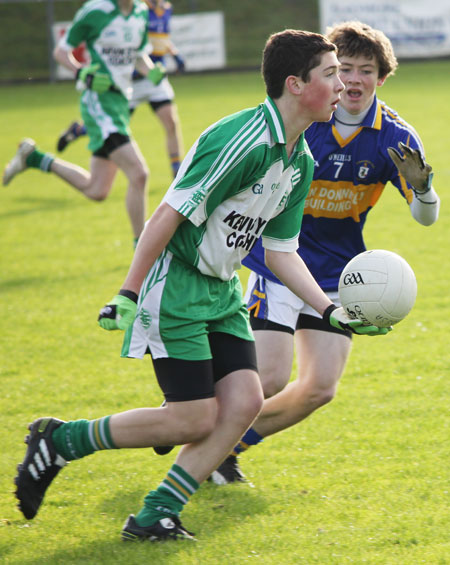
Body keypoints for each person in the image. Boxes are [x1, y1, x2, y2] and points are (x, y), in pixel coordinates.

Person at [13, 29, 389, 542]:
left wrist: (327, 311)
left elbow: (281, 253)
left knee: (244, 402)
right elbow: (167, 214)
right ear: (296, 84)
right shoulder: (245, 140)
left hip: (221, 291)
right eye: (332, 73)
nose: (345, 83)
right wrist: (127, 291)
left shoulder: (299, 161)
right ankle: (60, 441)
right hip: (177, 286)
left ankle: (155, 516)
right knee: (191, 420)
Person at [208, 21, 441, 485]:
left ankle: (222, 447)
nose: (354, 80)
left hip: (337, 274)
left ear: (382, 76)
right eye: (346, 69)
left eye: (367, 70)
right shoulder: (310, 117)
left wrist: (424, 190)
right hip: (277, 263)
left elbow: (426, 218)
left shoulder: (394, 136)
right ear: (332, 75)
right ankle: (193, 417)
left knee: (319, 388)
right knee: (267, 379)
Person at [2, 0, 166, 245]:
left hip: (120, 103)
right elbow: (60, 52)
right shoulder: (96, 11)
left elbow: (139, 55)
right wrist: (81, 72)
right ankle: (141, 250)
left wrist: (151, 71)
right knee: (139, 173)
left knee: (97, 190)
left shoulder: (141, 13)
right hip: (98, 102)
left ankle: (33, 157)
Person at [57, 0, 185, 179]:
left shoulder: (161, 10)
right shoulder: (127, 9)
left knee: (171, 121)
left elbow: (160, 41)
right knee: (115, 130)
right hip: (126, 84)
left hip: (151, 78)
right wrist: (81, 72)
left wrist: (174, 55)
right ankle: (78, 130)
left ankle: (177, 173)